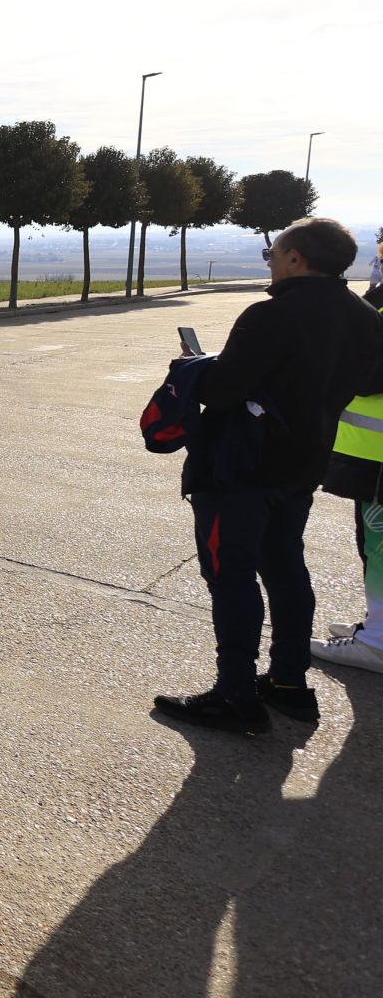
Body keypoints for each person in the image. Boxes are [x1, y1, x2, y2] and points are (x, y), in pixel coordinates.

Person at [154, 218, 383, 733]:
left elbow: (225, 391)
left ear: (297, 258)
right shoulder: (365, 317)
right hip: (305, 464)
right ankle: (288, 684)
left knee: (230, 576)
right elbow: (371, 380)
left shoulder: (270, 315)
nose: (272, 262)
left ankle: (235, 693)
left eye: (273, 254)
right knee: (285, 568)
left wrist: (196, 366)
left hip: (242, 467)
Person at [311, 268, 383, 674]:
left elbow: (371, 375)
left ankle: (376, 644)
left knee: (379, 549)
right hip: (374, 456)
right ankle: (376, 628)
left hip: (379, 459)